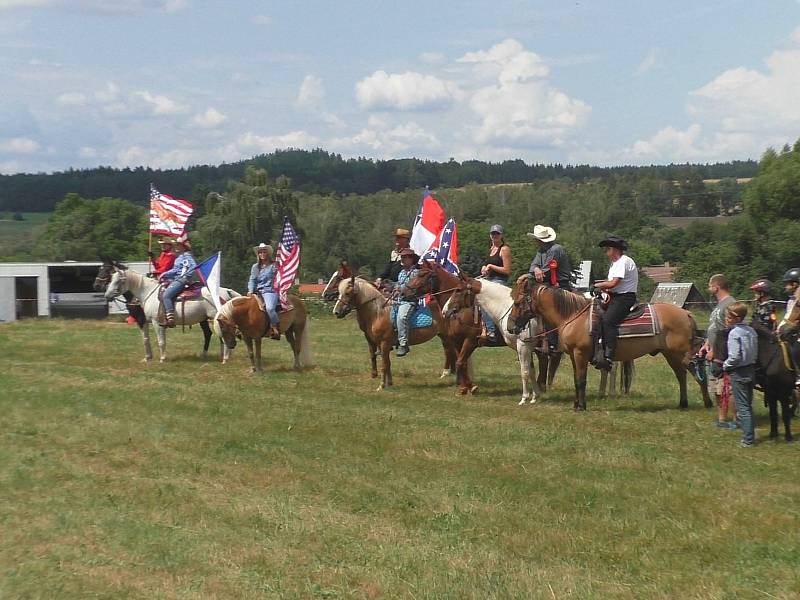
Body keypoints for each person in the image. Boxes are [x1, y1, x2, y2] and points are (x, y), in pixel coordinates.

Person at [521, 224, 573, 353]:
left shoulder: (555, 250)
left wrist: (533, 272)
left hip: (560, 285)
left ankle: (552, 343)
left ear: (539, 240)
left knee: (548, 309)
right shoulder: (541, 251)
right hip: (548, 285)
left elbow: (547, 272)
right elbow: (533, 266)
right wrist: (536, 269)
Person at [591, 235, 637, 371]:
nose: (606, 253)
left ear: (615, 250)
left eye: (608, 249)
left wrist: (597, 285)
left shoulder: (623, 261)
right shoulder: (616, 264)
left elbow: (613, 283)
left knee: (607, 321)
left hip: (624, 298)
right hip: (616, 296)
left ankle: (608, 356)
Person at [703, 274, 737, 428]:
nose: (708, 288)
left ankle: (737, 419)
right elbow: (715, 327)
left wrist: (715, 351)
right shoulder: (719, 305)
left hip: (723, 354)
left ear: (716, 287)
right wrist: (707, 343)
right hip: (713, 350)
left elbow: (728, 333)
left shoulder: (730, 304)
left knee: (727, 388)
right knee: (717, 387)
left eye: (710, 286)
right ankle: (722, 419)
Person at [722, 302, 758, 447]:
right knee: (748, 404)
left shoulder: (734, 333)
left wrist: (725, 365)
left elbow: (735, 356)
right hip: (751, 369)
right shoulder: (751, 330)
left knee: (742, 407)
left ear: (735, 318)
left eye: (728, 316)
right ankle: (750, 432)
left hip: (739, 372)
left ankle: (748, 439)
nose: (726, 319)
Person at [479, 224, 512, 342]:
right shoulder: (490, 249)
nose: (494, 236)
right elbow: (487, 265)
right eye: (493, 234)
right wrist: (484, 268)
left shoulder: (504, 249)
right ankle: (480, 327)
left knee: (484, 300)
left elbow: (507, 270)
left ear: (501, 235)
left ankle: (490, 330)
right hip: (489, 280)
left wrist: (491, 266)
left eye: (497, 234)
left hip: (499, 281)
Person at [159, 238, 197, 328]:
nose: (176, 247)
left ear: (183, 247)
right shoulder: (180, 257)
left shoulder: (186, 256)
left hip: (182, 279)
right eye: (176, 245)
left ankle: (170, 318)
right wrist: (164, 274)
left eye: (178, 245)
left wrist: (187, 275)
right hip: (178, 278)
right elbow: (176, 270)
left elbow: (193, 266)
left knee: (166, 296)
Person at [248, 243, 281, 340]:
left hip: (270, 291)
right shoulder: (255, 267)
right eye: (260, 252)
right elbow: (252, 279)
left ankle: (275, 328)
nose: (262, 254)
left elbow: (279, 277)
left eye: (264, 252)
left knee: (270, 308)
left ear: (268, 253)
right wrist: (250, 290)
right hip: (257, 291)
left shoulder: (274, 265)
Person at [394, 248, 420, 357]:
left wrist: (402, 289)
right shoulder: (401, 273)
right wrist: (395, 289)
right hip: (399, 300)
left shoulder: (416, 273)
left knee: (402, 317)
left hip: (409, 301)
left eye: (405, 257)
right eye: (402, 257)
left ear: (411, 259)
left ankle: (404, 344)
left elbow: (413, 289)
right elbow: (398, 284)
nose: (402, 259)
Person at [778, 267, 800, 385]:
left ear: (795, 284)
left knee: (796, 347)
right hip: (795, 330)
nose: (785, 286)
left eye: (787, 284)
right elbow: (790, 315)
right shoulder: (792, 299)